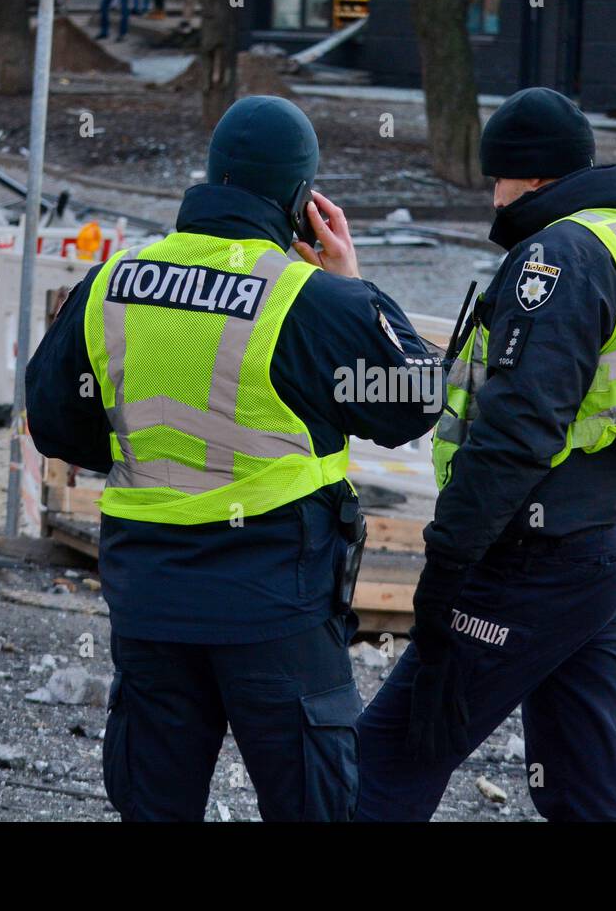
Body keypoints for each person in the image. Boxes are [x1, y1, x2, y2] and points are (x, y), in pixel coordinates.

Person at [26, 96, 442, 821]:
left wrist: (146, 451)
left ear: (210, 179)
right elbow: (414, 402)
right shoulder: (305, 301)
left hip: (150, 598)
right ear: (302, 201)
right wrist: (350, 284)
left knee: (155, 805)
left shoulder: (112, 283)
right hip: (274, 606)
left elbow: (56, 423)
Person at [355, 87, 616, 822]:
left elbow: (517, 429)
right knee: (581, 770)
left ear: (532, 177)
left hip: (542, 551)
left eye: (498, 177)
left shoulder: (557, 256)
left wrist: (446, 566)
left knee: (391, 749)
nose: (494, 194)